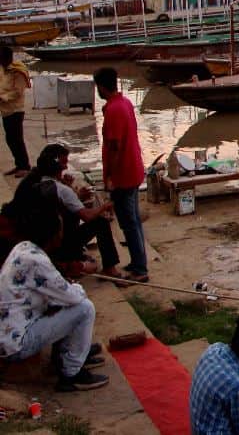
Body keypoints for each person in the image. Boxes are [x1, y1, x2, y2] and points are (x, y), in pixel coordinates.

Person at [0, 196, 109, 392]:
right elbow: (73, 296)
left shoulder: (23, 248)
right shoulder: (36, 260)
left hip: (10, 333)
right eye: (60, 229)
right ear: (51, 235)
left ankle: (71, 354)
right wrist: (74, 285)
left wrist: (65, 288)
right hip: (14, 344)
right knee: (84, 308)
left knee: (62, 303)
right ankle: (71, 373)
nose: (62, 232)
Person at [92, 67, 148, 283]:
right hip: (133, 169)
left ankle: (140, 270)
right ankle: (137, 262)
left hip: (124, 173)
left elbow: (114, 147)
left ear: (101, 86)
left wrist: (111, 178)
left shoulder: (116, 109)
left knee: (129, 222)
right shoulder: (123, 103)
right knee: (132, 220)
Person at [38, 144, 120, 277]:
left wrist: (75, 194)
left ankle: (74, 256)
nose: (66, 167)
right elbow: (86, 216)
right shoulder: (61, 190)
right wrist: (104, 207)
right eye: (64, 163)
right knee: (101, 223)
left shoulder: (38, 184)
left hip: (46, 243)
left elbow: (62, 206)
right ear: (57, 166)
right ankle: (110, 268)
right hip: (60, 245)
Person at [0, 46, 31, 178]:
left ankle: (25, 166)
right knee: (10, 139)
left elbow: (18, 92)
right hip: (5, 110)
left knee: (16, 139)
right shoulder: (4, 69)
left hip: (15, 109)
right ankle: (19, 165)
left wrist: (3, 97)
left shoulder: (18, 71)